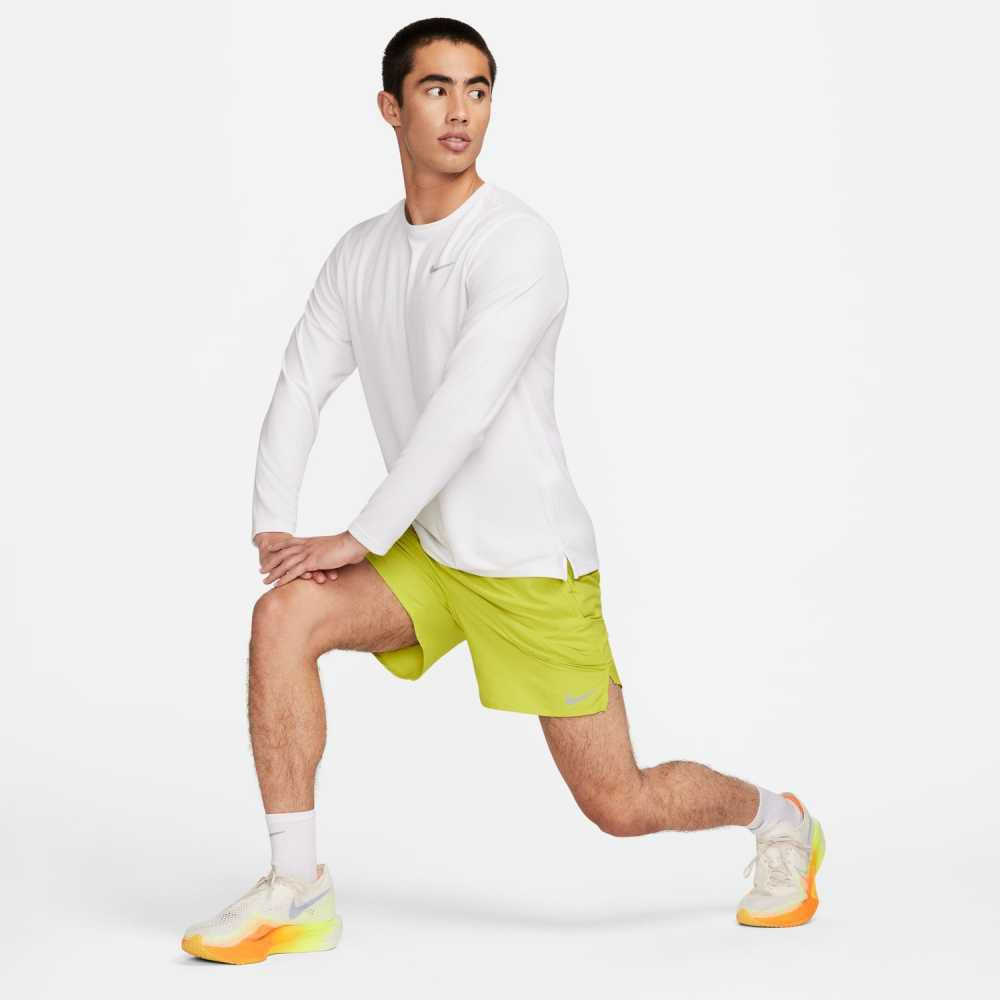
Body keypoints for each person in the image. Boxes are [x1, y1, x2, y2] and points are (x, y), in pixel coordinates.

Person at [181, 17, 826, 965]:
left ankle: (783, 820)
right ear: (390, 107)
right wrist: (272, 529)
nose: (461, 111)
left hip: (528, 562)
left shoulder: (518, 244)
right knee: (283, 616)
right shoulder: (362, 253)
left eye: (477, 90)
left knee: (620, 802)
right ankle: (297, 886)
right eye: (437, 88)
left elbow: (462, 415)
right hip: (430, 553)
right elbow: (300, 383)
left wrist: (356, 536)